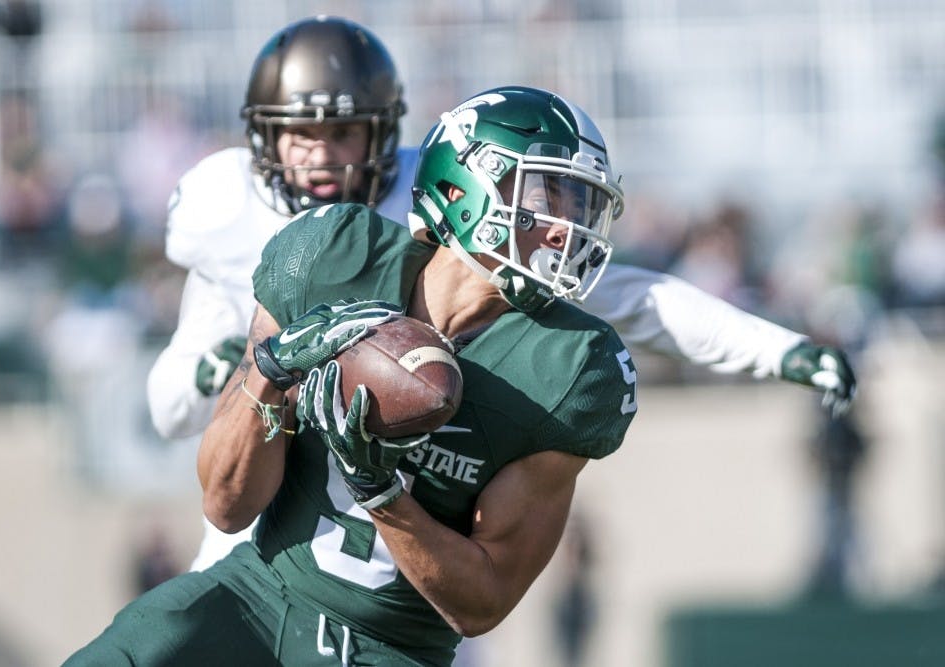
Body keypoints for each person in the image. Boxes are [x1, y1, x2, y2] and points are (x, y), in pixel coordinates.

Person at [148, 15, 856, 572]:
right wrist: (232, 367)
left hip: (401, 487)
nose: (324, 155)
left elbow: (633, 297)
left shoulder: (425, 204)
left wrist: (780, 348)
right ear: (263, 136)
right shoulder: (220, 206)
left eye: (345, 132)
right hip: (278, 478)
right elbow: (169, 405)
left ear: (386, 134)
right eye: (304, 133)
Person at [69, 84, 638, 667]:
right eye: (552, 195)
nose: (566, 228)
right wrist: (274, 368)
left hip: (391, 649)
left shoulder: (571, 366)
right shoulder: (335, 254)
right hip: (255, 597)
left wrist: (381, 492)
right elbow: (226, 504)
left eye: (582, 205)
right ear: (463, 186)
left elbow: (483, 603)